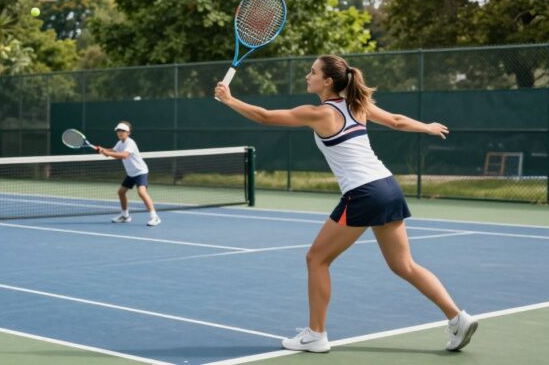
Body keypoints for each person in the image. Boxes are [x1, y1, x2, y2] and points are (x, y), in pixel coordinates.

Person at [214, 55, 477, 353]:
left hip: (363, 193)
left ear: (327, 81)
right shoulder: (357, 105)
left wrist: (230, 100)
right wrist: (427, 127)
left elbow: (264, 116)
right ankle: (458, 318)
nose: (307, 76)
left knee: (316, 259)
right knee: (404, 265)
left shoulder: (318, 113)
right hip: (388, 186)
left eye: (312, 72)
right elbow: (396, 121)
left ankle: (315, 334)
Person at [97, 121, 161, 226]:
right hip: (131, 173)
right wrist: (103, 150)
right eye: (118, 131)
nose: (120, 133)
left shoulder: (130, 142)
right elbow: (113, 151)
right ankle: (125, 215)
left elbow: (124, 155)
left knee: (141, 192)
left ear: (128, 132)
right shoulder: (120, 143)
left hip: (140, 171)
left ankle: (155, 217)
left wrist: (107, 153)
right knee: (121, 192)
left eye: (123, 131)